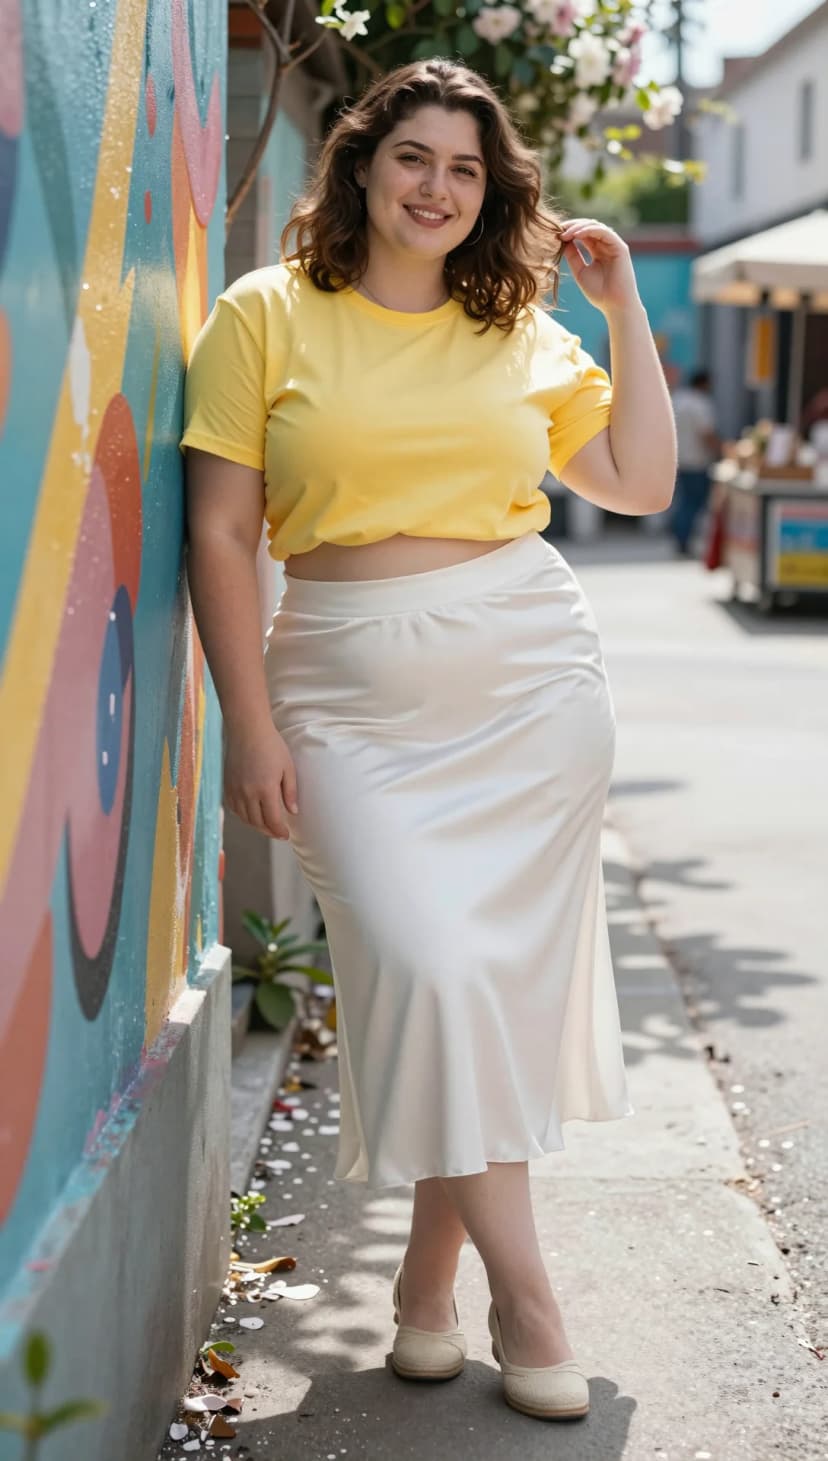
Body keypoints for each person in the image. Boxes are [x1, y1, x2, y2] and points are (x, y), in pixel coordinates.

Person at [181, 59, 676, 1422]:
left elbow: (638, 482)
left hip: (530, 687)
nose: (437, 189)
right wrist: (249, 720)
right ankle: (534, 1299)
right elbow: (221, 530)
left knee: (486, 1000)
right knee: (434, 969)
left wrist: (622, 302)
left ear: (490, 186)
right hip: (340, 691)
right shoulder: (264, 314)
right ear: (360, 164)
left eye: (465, 168)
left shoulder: (515, 326)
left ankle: (428, 1288)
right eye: (413, 159)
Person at [669, 368, 721, 556]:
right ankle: (683, 539)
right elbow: (706, 433)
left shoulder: (678, 399)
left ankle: (679, 536)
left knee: (684, 501)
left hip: (679, 459)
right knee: (692, 503)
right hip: (697, 461)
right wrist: (721, 450)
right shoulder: (700, 404)